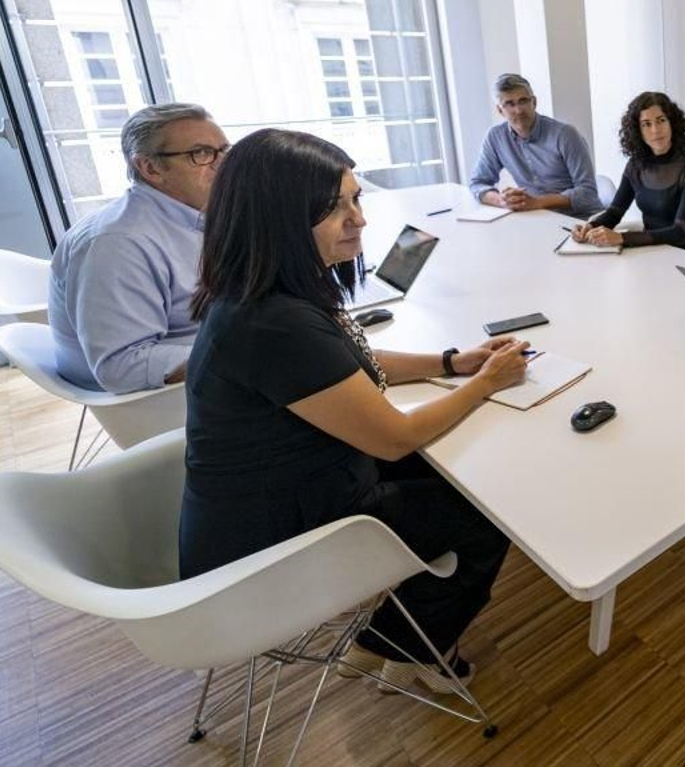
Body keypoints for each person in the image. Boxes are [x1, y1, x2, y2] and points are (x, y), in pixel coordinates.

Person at [179, 128, 529, 691]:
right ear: (278, 219)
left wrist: (451, 361)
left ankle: (404, 628)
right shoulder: (274, 323)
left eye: (355, 199)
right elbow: (394, 437)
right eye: (333, 208)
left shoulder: (266, 294)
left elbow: (350, 362)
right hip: (276, 546)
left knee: (468, 477)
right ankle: (409, 646)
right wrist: (486, 382)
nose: (359, 219)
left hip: (284, 490)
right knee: (487, 516)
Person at [48, 103, 229, 393]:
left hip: (215, 355)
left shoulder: (197, 214)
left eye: (224, 151)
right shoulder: (118, 243)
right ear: (150, 167)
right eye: (201, 154)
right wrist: (243, 353)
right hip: (161, 400)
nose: (223, 165)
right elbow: (122, 366)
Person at [572, 91, 685, 249]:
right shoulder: (635, 165)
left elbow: (680, 233)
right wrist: (591, 226)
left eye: (661, 120)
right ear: (638, 131)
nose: (655, 130)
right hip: (650, 250)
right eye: (646, 124)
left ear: (672, 123)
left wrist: (621, 237)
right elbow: (615, 212)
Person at [468, 72, 600, 218]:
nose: (518, 110)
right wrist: (503, 201)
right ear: (500, 110)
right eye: (509, 104)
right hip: (536, 218)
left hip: (580, 219)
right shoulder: (496, 137)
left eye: (523, 101)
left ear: (534, 102)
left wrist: (537, 202)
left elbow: (588, 192)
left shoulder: (565, 135)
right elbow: (478, 183)